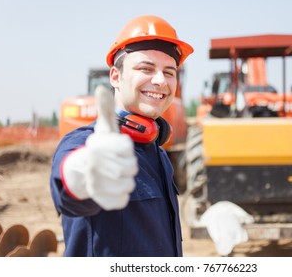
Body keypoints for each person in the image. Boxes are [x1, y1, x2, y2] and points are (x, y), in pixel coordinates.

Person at [50, 15, 194, 257]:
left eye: (169, 72)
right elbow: (70, 189)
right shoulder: (83, 143)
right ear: (115, 77)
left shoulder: (158, 155)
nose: (160, 81)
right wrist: (86, 170)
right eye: (146, 69)